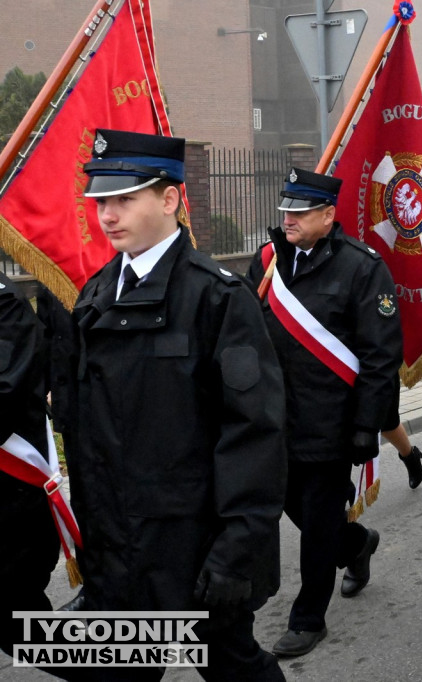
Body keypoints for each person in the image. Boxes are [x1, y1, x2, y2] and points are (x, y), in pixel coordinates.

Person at [70, 129, 287, 679]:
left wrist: (236, 551)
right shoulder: (95, 296)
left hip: (194, 545)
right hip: (118, 546)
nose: (108, 215)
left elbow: (253, 432)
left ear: (169, 200)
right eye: (101, 202)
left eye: (124, 199)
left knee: (234, 667)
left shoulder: (217, 296)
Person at [247, 168, 403, 657]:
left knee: (316, 523)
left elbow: (381, 355)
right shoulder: (268, 261)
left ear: (327, 215)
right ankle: (356, 543)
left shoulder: (362, 267)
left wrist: (366, 425)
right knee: (298, 512)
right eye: (285, 211)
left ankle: (308, 617)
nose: (288, 219)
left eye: (299, 212)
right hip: (274, 423)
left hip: (331, 425)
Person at [0, 273, 61, 660]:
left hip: (10, 497)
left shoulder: (4, 308)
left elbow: (4, 394)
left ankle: (122, 670)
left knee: (22, 624)